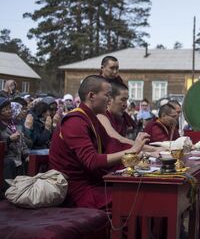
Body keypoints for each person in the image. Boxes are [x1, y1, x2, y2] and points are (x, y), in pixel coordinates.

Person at [49, 75, 149, 208]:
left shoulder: (91, 119)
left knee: (143, 191)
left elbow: (113, 145)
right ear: (91, 96)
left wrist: (145, 152)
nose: (109, 100)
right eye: (107, 95)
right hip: (76, 191)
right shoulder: (75, 121)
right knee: (138, 199)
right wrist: (131, 151)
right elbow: (92, 161)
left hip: (94, 182)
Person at [0, 98, 29, 192]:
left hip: (18, 157)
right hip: (6, 158)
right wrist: (9, 140)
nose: (9, 111)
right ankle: (9, 192)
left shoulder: (14, 124)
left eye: (9, 108)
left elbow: (23, 142)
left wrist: (26, 154)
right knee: (11, 163)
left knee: (29, 160)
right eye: (5, 110)